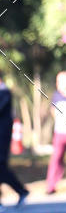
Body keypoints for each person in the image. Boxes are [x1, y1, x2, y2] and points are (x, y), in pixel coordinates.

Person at [0, 74, 28, 206]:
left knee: (1, 166)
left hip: (2, 137)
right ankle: (21, 190)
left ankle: (21, 190)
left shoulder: (4, 93)